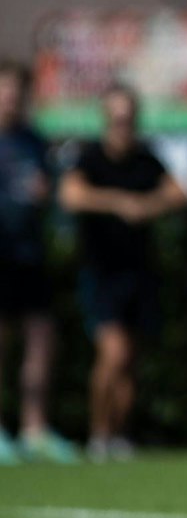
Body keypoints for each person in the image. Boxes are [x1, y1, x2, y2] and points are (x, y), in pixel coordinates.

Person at [60, 85, 183, 462]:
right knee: (112, 353)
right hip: (102, 271)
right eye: (116, 119)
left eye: (128, 119)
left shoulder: (148, 160)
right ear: (105, 120)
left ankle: (120, 436)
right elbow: (71, 196)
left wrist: (147, 205)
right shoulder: (89, 158)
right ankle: (99, 435)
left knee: (130, 360)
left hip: (140, 272)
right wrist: (117, 202)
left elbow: (178, 194)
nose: (122, 126)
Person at [0, 62, 76, 464]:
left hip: (31, 255)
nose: (10, 97)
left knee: (41, 340)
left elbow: (52, 195)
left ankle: (34, 428)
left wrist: (45, 195)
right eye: (4, 89)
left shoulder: (33, 142)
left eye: (16, 90)